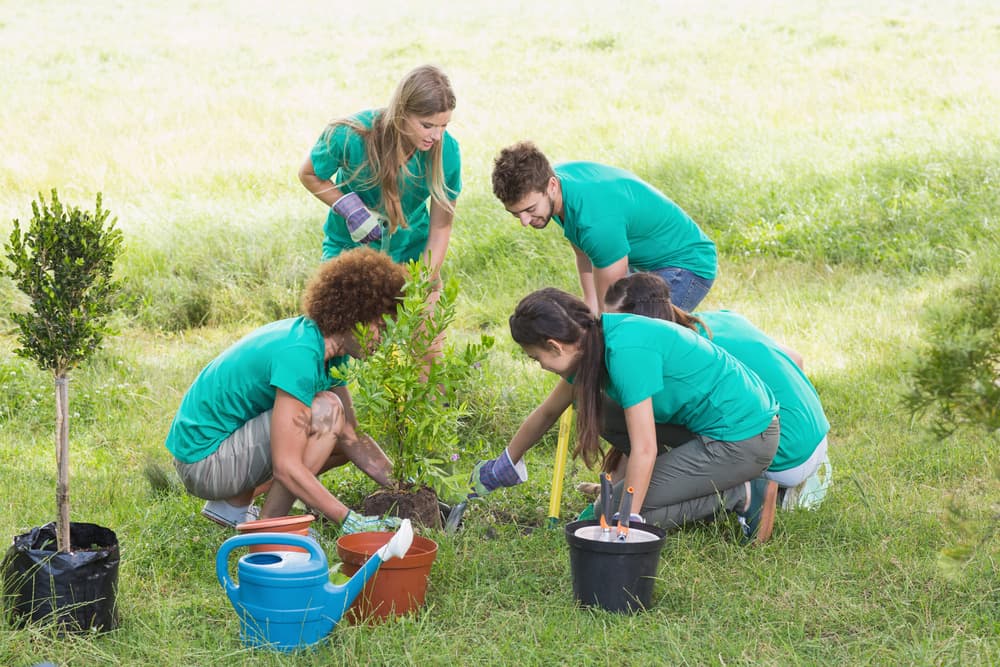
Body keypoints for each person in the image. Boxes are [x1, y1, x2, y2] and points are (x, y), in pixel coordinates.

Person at [468, 287, 782, 545]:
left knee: (605, 517)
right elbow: (547, 412)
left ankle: (739, 494)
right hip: (710, 426)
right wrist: (506, 462)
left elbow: (644, 447)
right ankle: (677, 480)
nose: (541, 366)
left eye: (536, 358)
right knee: (597, 409)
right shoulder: (592, 342)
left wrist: (628, 514)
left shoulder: (626, 353)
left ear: (554, 345)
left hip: (743, 438)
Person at [165, 247, 407, 534]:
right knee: (327, 411)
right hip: (204, 462)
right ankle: (271, 528)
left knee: (340, 432)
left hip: (222, 449)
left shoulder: (328, 349)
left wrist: (407, 489)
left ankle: (233, 505)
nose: (384, 339)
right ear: (356, 313)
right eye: (380, 326)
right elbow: (286, 465)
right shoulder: (300, 354)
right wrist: (349, 520)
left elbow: (353, 438)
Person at [602, 272, 833, 509]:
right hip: (816, 440)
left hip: (779, 455)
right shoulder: (720, 319)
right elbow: (796, 358)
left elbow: (641, 429)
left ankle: (745, 493)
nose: (612, 335)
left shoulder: (679, 359)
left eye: (620, 324)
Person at [491, 141, 717, 314]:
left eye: (529, 210)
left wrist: (601, 322)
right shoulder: (557, 189)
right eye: (515, 213)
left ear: (551, 186)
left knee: (635, 337)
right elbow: (582, 250)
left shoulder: (596, 222)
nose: (524, 221)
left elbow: (612, 310)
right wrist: (590, 304)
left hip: (686, 265)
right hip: (643, 262)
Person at [299, 64, 461, 283]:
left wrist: (422, 281)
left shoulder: (447, 152)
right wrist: (349, 208)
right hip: (350, 251)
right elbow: (309, 174)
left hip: (411, 253)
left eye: (444, 126)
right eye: (427, 125)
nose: (437, 136)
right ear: (402, 112)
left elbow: (441, 226)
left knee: (421, 316)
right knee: (340, 314)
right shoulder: (351, 135)